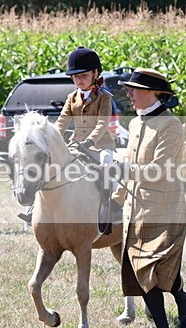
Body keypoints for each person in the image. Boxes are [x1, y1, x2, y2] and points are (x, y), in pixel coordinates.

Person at [109, 68, 186, 328]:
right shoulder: (134, 124)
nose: (129, 94)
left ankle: (182, 298)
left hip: (164, 209)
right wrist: (118, 195)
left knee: (162, 272)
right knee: (143, 272)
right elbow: (131, 165)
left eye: (133, 90)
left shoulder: (171, 126)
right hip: (135, 210)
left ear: (151, 93)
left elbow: (159, 170)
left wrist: (123, 168)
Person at [17, 47, 116, 224]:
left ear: (95, 73)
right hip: (76, 144)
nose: (79, 80)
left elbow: (102, 123)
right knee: (49, 167)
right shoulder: (72, 97)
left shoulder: (104, 97)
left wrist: (90, 141)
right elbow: (62, 120)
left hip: (101, 145)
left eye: (84, 76)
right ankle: (32, 209)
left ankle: (110, 208)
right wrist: (49, 138)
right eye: (76, 77)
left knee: (107, 165)